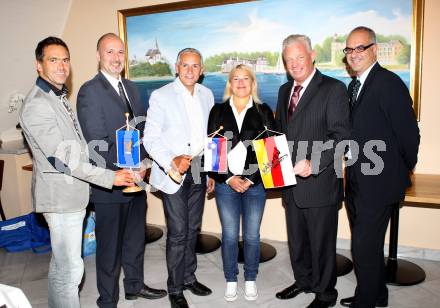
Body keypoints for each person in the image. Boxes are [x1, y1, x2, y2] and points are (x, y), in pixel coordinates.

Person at [19, 36, 135, 308]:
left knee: (62, 267)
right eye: (53, 60)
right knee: (71, 270)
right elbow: (65, 159)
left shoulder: (57, 97)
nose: (61, 66)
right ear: (39, 65)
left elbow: (80, 147)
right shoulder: (38, 104)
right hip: (61, 199)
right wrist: (110, 177)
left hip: (74, 195)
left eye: (65, 59)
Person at [76, 33, 167, 308]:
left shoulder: (132, 87)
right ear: (98, 55)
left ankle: (134, 287)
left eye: (120, 53)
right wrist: (126, 169)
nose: (116, 58)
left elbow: (141, 133)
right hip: (110, 183)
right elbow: (97, 143)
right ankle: (108, 300)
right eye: (110, 52)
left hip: (136, 180)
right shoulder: (89, 91)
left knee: (135, 240)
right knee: (109, 249)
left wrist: (144, 164)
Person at [340, 26, 420, 308]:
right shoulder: (355, 86)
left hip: (380, 182)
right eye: (349, 50)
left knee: (363, 246)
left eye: (360, 48)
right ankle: (377, 295)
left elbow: (410, 136)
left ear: (374, 49)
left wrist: (401, 170)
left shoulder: (388, 83)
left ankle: (366, 301)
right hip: (358, 178)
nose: (354, 54)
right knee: (368, 246)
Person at [274, 34, 350, 308]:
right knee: (297, 242)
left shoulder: (333, 89)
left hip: (319, 183)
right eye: (288, 59)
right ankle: (303, 281)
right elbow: (280, 134)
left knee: (321, 245)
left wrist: (313, 162)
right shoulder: (284, 91)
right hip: (290, 184)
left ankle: (326, 294)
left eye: (299, 57)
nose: (294, 64)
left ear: (312, 54)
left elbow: (341, 137)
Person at [143, 48, 214, 308]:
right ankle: (175, 288)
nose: (190, 70)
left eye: (195, 66)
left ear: (202, 70)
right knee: (178, 233)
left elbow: (209, 138)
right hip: (172, 173)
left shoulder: (207, 94)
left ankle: (188, 277)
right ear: (176, 67)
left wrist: (211, 171)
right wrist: (171, 159)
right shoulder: (160, 96)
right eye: (185, 65)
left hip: (199, 170)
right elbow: (150, 138)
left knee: (193, 230)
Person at [207, 64, 276, 302]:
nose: (240, 82)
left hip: (255, 185)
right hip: (226, 185)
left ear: (252, 83)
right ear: (229, 83)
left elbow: (270, 152)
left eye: (245, 78)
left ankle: (250, 278)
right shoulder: (217, 111)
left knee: (252, 236)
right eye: (235, 78)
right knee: (228, 235)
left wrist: (249, 178)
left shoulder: (264, 110)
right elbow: (213, 153)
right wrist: (228, 178)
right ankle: (230, 279)